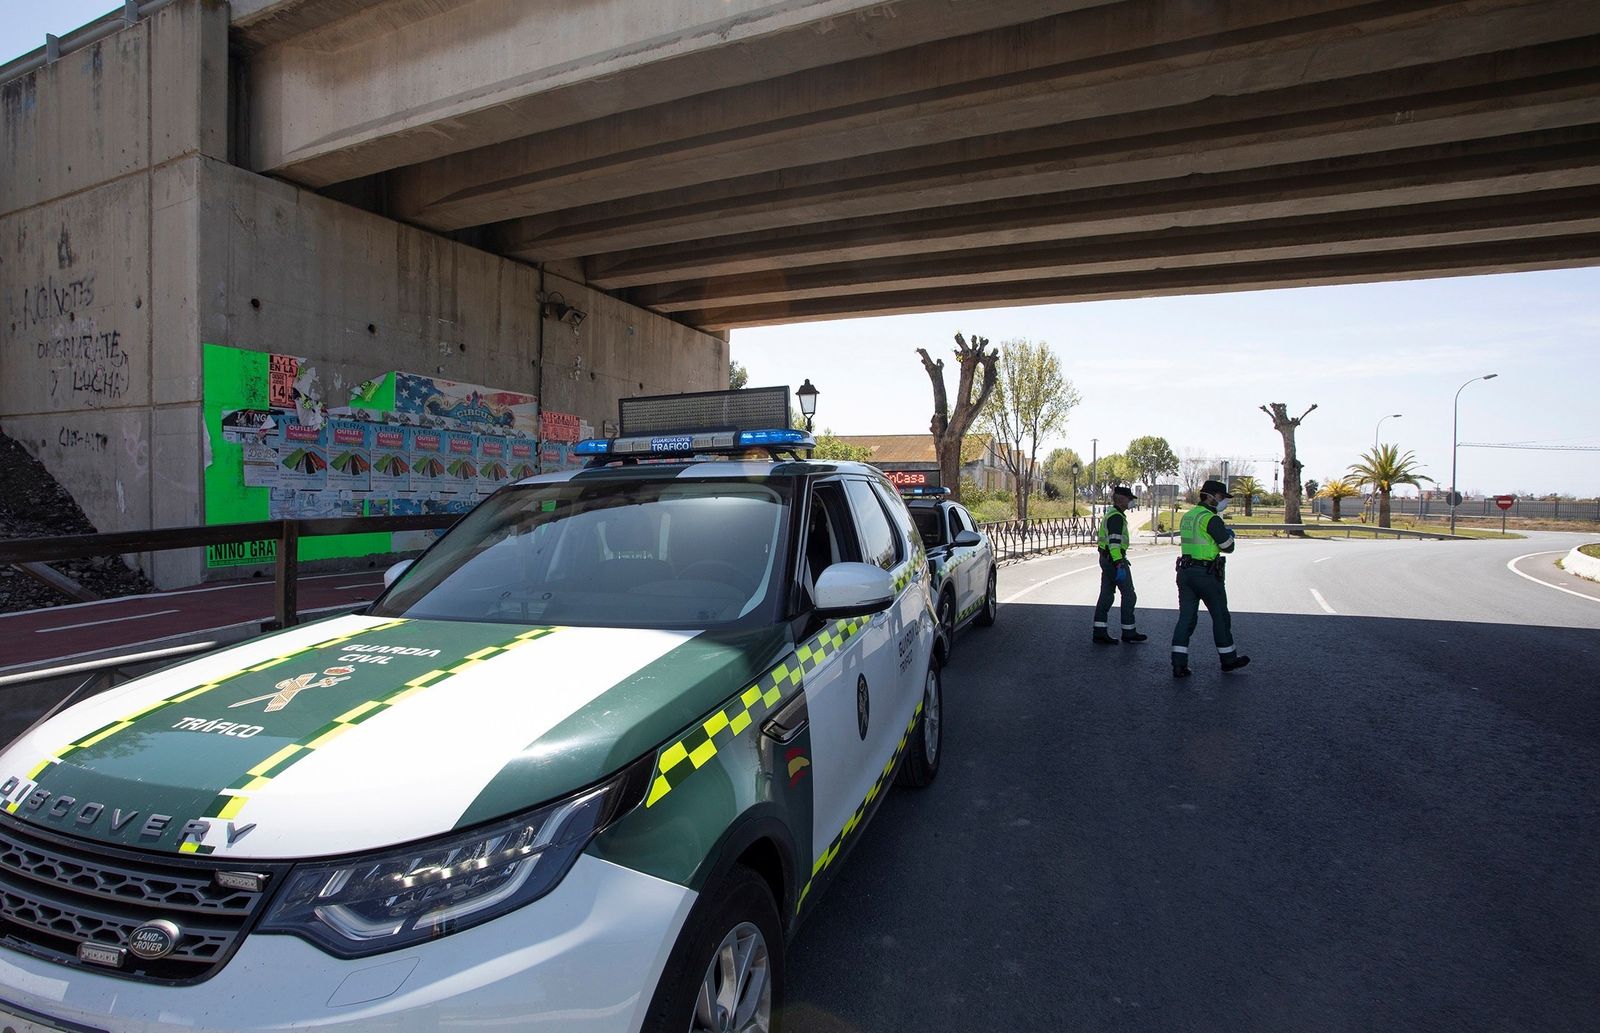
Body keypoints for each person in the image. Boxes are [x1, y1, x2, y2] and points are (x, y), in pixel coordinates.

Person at [1171, 479, 1250, 678]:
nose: (1224, 502)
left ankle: (1178, 664)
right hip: (1206, 574)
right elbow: (1227, 547)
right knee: (1220, 616)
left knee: (1186, 618)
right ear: (1211, 496)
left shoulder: (1188, 516)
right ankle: (1228, 660)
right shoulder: (1211, 518)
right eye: (1222, 497)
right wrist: (1229, 536)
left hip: (1185, 572)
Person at [1092, 485, 1146, 644]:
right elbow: (1114, 543)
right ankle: (1129, 631)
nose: (1131, 502)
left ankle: (1099, 631)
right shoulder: (1116, 517)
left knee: (1107, 595)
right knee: (1129, 594)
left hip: (1107, 558)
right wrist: (1119, 563)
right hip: (1114, 560)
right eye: (1130, 499)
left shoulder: (1113, 514)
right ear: (1121, 499)